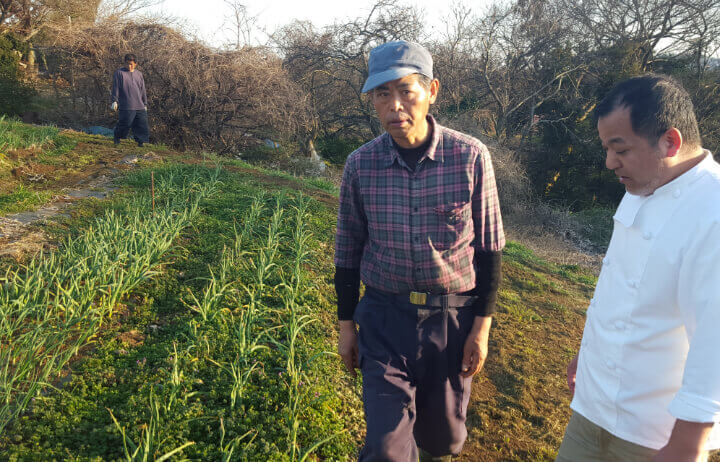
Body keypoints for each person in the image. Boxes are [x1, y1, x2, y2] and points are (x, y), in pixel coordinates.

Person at [334, 41, 505, 462]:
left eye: (406, 91)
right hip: (384, 317)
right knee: (387, 448)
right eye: (382, 94)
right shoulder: (361, 165)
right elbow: (347, 252)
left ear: (432, 91)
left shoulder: (470, 157)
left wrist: (480, 330)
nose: (395, 106)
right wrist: (345, 326)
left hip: (450, 321)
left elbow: (489, 251)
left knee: (443, 440)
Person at [557, 74, 720, 462]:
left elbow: (715, 336)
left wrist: (688, 441)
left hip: (656, 431)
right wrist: (588, 350)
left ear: (670, 141)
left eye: (621, 149)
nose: (610, 162)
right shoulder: (641, 183)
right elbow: (616, 280)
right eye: (607, 148)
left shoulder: (712, 209)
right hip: (592, 406)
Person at [111, 53, 149, 147]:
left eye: (131, 64)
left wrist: (145, 103)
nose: (129, 66)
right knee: (125, 124)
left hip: (139, 105)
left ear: (135, 64)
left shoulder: (139, 74)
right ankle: (117, 137)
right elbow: (116, 88)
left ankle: (141, 142)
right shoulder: (119, 73)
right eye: (127, 63)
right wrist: (114, 101)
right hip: (126, 104)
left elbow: (142, 89)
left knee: (141, 124)